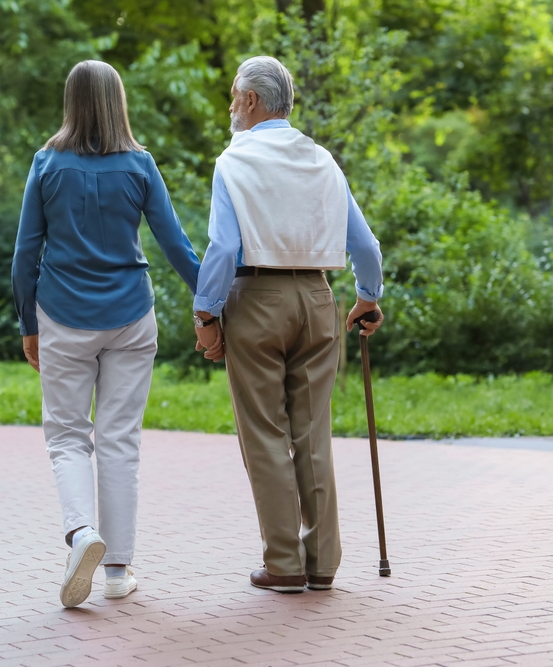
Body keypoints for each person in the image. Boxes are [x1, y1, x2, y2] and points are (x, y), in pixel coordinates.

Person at [11, 60, 201, 608]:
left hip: (62, 316)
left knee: (68, 436)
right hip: (131, 317)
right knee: (120, 441)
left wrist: (29, 324)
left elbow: (26, 253)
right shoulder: (140, 165)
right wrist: (213, 303)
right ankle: (117, 570)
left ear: (70, 102)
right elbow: (176, 245)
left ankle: (81, 535)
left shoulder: (46, 164)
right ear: (118, 101)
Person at [193, 56, 384, 593]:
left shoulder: (234, 160)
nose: (231, 104)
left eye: (235, 95)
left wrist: (205, 313)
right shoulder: (322, 160)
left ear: (251, 101)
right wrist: (367, 298)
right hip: (319, 297)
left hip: (256, 296)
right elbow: (365, 245)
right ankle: (322, 563)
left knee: (265, 434)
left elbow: (224, 247)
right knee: (312, 433)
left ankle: (283, 564)